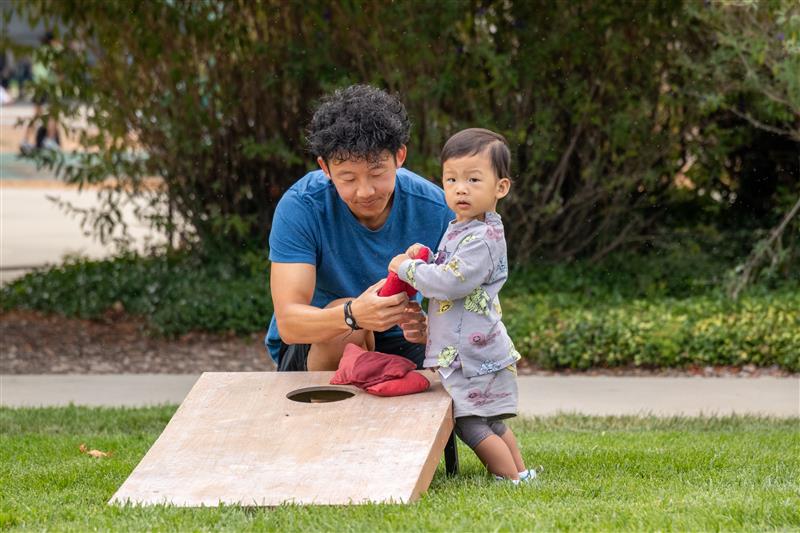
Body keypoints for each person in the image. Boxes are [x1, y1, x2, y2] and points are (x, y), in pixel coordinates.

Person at [266, 84, 453, 371]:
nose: (365, 191)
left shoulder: (436, 207)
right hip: (317, 341)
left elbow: (466, 304)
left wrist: (430, 328)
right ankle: (327, 416)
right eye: (348, 178)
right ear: (325, 168)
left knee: (456, 360)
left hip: (398, 335)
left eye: (377, 172)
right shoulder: (301, 206)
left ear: (399, 156)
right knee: (348, 329)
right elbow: (290, 322)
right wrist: (355, 315)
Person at [388, 128, 535, 483]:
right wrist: (423, 257)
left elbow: (451, 281)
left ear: (500, 187)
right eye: (451, 179)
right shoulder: (464, 228)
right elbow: (446, 268)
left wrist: (407, 269)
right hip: (473, 349)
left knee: (469, 422)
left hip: (470, 355)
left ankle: (509, 478)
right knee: (489, 419)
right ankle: (520, 472)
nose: (460, 188)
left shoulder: (482, 237)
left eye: (473, 179)